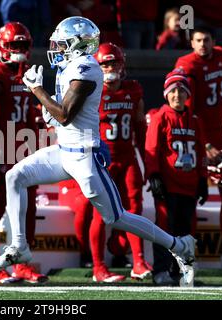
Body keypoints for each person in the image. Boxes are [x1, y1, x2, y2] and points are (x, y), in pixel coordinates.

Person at [0, 16, 197, 287]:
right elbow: (55, 117)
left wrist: (37, 89)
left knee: (116, 216)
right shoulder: (68, 66)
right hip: (64, 150)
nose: (56, 49)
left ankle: (179, 245)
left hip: (84, 155)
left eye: (61, 44)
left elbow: (63, 115)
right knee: (15, 176)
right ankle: (19, 247)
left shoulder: (86, 68)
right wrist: (43, 104)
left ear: (76, 44)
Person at [175, 27, 222, 268]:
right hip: (196, 138)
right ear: (191, 42)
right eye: (198, 40)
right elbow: (187, 109)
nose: (202, 44)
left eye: (206, 39)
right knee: (193, 194)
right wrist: (204, 143)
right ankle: (189, 253)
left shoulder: (221, 56)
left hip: (220, 136)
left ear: (213, 41)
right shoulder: (186, 65)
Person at [0, 21, 47, 284]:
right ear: (2, 46)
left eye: (22, 45)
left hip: (25, 144)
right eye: (14, 45)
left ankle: (22, 264)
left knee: (28, 207)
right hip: (2, 143)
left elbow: (30, 112)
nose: (18, 50)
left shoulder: (28, 72)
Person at [93, 42, 152, 280]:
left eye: (114, 62)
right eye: (105, 63)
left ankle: (138, 262)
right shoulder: (91, 91)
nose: (110, 67)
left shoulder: (133, 90)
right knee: (100, 213)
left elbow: (140, 128)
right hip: (101, 160)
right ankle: (98, 267)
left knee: (134, 209)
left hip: (128, 158)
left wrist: (145, 162)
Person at [146, 69, 208, 285]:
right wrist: (154, 174)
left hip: (189, 185)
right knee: (165, 229)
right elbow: (151, 148)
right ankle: (160, 270)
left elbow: (200, 152)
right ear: (166, 94)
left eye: (181, 91)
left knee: (185, 232)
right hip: (168, 185)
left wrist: (202, 179)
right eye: (173, 91)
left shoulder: (195, 120)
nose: (177, 95)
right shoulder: (160, 116)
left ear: (187, 94)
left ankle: (181, 273)